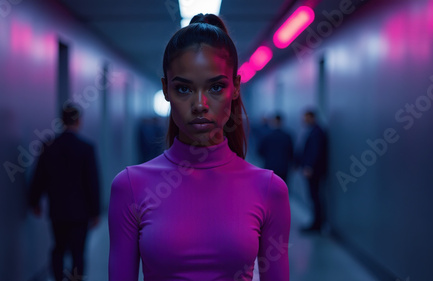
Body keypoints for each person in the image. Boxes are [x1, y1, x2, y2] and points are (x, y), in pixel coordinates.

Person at [108, 14, 290, 281]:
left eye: (216, 87)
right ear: (166, 90)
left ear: (235, 87)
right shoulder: (130, 187)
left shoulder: (269, 189)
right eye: (184, 89)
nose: (200, 104)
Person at [29, 104, 101, 281]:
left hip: (57, 209)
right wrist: (95, 211)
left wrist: (34, 201)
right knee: (78, 251)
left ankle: (58, 279)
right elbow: (92, 181)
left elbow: (39, 176)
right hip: (80, 212)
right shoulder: (86, 148)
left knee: (58, 248)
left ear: (61, 121)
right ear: (79, 121)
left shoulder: (49, 146)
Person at [297, 110, 327, 233]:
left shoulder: (316, 132)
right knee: (314, 196)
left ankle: (317, 224)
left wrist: (309, 166)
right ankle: (316, 222)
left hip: (314, 171)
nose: (303, 120)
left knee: (314, 196)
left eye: (305, 118)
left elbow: (315, 151)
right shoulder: (314, 131)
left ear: (312, 117)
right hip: (314, 170)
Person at [258, 114, 294, 183]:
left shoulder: (266, 136)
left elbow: (260, 151)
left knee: (271, 188)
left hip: (270, 167)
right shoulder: (287, 136)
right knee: (283, 188)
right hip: (284, 167)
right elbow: (291, 153)